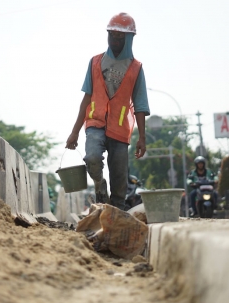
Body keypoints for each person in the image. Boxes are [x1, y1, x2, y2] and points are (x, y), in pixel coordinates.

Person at [65, 13, 150, 210]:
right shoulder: (95, 62)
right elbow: (86, 97)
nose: (114, 40)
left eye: (120, 36)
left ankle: (117, 213)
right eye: (111, 35)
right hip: (95, 123)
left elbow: (140, 105)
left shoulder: (136, 68)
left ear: (129, 39)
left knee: (119, 177)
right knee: (92, 157)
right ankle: (99, 185)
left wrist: (142, 138)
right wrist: (75, 131)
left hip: (119, 129)